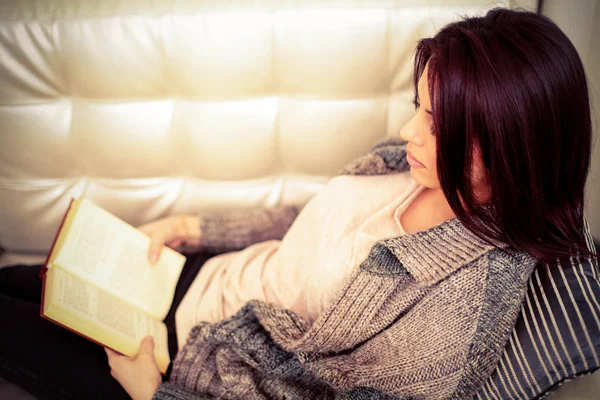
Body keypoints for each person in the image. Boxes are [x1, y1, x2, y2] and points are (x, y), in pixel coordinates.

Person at [0, 7, 597, 400]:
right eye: (418, 106)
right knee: (19, 280)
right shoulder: (417, 168)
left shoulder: (455, 318)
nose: (410, 131)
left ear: (512, 144)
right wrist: (194, 227)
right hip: (194, 283)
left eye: (438, 123)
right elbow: (311, 221)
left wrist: (155, 394)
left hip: (185, 363)